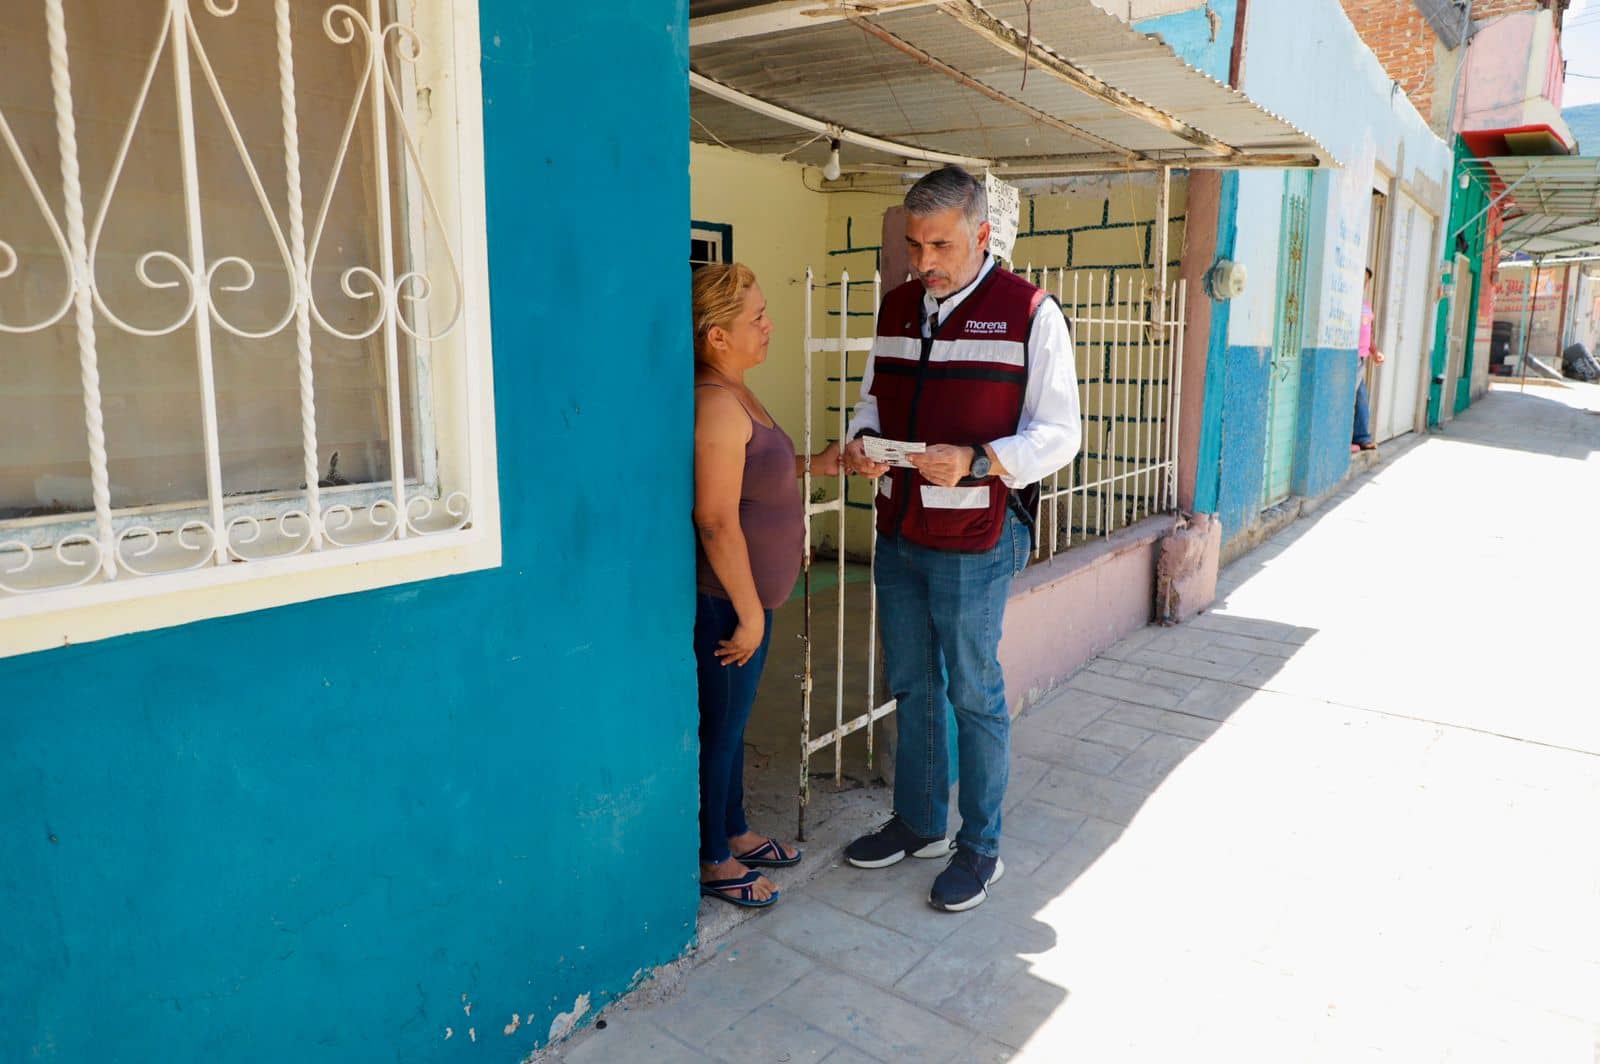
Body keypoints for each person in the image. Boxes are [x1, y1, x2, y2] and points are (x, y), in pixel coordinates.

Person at [840, 167, 1081, 913]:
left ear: (980, 235)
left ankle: (981, 847)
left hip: (976, 532)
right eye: (913, 245)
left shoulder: (1029, 312)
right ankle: (919, 822)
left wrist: (979, 459)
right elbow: (873, 398)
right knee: (912, 684)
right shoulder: (899, 305)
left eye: (939, 244)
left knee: (974, 694)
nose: (923, 261)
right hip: (900, 526)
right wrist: (861, 440)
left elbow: (1061, 433)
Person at [692, 262, 840, 909]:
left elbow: (764, 473)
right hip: (728, 604)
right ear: (716, 336)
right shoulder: (717, 404)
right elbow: (717, 519)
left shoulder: (740, 391)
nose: (768, 325)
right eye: (754, 317)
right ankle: (712, 859)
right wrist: (749, 614)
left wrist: (822, 463)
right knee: (720, 731)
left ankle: (736, 828)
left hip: (752, 603)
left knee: (736, 720)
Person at [1353, 266, 1386, 453]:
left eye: (1366, 281)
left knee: (1361, 399)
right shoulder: (1350, 303)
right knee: (1351, 398)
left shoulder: (1365, 304)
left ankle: (1362, 438)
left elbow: (1368, 333)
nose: (1364, 284)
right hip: (1352, 357)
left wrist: (1375, 351)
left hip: (1362, 357)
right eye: (1361, 279)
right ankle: (1347, 440)